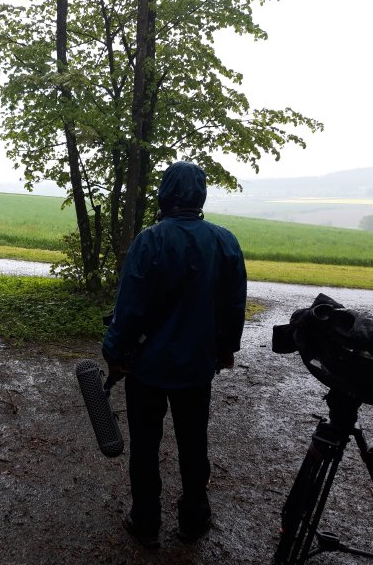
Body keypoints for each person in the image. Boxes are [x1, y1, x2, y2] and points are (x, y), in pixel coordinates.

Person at [102, 161, 247, 549]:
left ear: (165, 194)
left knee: (145, 444)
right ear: (200, 196)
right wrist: (227, 350)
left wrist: (113, 352)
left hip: (145, 367)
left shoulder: (149, 240)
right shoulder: (225, 242)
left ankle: (146, 518)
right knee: (193, 441)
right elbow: (234, 306)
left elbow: (128, 308)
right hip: (198, 369)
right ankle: (194, 517)